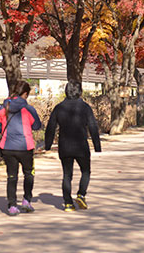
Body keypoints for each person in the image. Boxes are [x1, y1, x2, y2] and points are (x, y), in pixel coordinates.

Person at [45, 80, 101, 212]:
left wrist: (47, 145)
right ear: (80, 92)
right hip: (81, 145)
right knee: (86, 171)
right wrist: (97, 145)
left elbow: (51, 127)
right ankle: (81, 194)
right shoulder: (85, 107)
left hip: (65, 146)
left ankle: (68, 203)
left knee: (67, 175)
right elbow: (93, 126)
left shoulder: (59, 108)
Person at [0, 80, 42, 216]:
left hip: (7, 146)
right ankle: (26, 201)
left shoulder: (3, 107)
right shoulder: (28, 109)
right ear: (26, 93)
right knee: (29, 173)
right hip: (25, 146)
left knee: (12, 176)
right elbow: (36, 125)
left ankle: (11, 205)